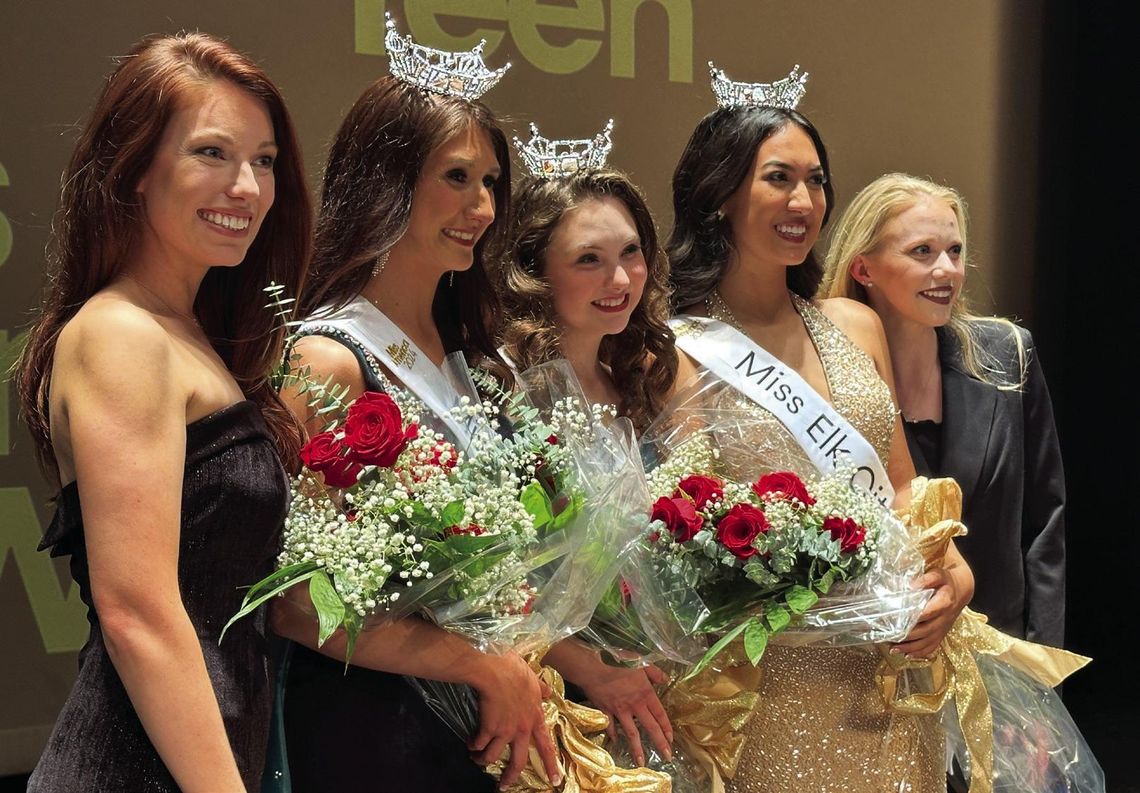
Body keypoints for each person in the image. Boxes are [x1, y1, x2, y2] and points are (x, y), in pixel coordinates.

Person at [14, 32, 311, 792]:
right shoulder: (120, 334)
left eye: (265, 160)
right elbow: (138, 613)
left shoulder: (190, 334)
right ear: (135, 169)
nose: (246, 186)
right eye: (212, 152)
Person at [660, 76, 974, 792]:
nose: (804, 202)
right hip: (773, 690)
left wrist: (952, 570)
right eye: (779, 179)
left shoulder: (854, 323)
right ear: (719, 193)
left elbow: (900, 481)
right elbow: (683, 535)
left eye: (816, 180)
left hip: (890, 675)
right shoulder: (677, 347)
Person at [269, 65, 559, 793]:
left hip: (478, 721)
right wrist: (471, 661)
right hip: (372, 731)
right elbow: (294, 602)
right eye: (457, 176)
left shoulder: (478, 362)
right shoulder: (325, 361)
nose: (484, 206)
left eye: (492, 182)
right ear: (383, 181)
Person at [820, 172, 1065, 647]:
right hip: (874, 669)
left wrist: (1042, 671)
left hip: (1001, 659)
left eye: (955, 251)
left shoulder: (1008, 351)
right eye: (922, 252)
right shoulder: (819, 377)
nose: (949, 270)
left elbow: (1045, 526)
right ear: (863, 269)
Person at [495, 162, 679, 766]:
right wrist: (586, 665)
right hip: (540, 696)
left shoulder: (631, 382)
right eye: (588, 260)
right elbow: (484, 579)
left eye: (631, 252)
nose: (620, 278)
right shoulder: (498, 388)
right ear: (534, 273)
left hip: (635, 687)